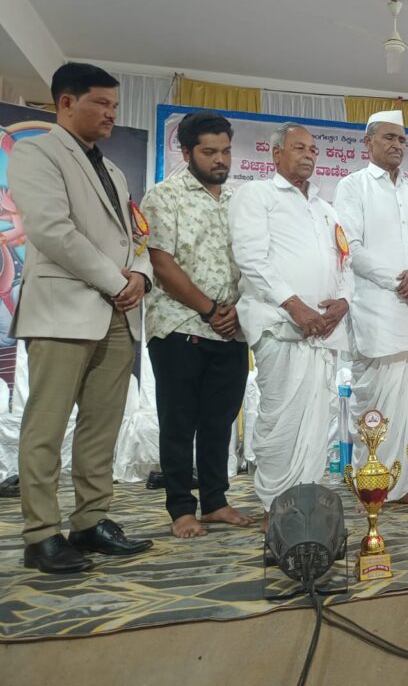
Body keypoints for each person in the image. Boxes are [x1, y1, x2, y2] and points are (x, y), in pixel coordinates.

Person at [9, 62, 153, 573]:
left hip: (118, 312)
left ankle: (90, 522)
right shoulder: (37, 152)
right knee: (46, 427)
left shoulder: (112, 170)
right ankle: (40, 535)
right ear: (66, 102)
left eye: (115, 105)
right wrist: (117, 281)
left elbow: (137, 237)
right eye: (101, 103)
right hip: (63, 310)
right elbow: (52, 231)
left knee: (102, 426)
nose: (112, 114)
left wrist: (141, 276)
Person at [229, 122, 351, 527]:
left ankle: (307, 498)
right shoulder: (257, 195)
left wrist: (343, 302)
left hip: (323, 332)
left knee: (318, 421)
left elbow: (345, 262)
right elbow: (251, 258)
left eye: (313, 150)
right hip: (280, 325)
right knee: (281, 418)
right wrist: (295, 305)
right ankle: (275, 505)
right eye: (299, 147)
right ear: (276, 153)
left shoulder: (325, 208)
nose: (309, 155)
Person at [142, 111, 252, 538]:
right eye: (209, 152)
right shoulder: (164, 197)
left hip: (232, 327)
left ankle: (215, 502)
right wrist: (209, 309)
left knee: (219, 421)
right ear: (186, 152)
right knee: (179, 422)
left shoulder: (240, 201)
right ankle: (181, 509)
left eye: (225, 151)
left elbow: (253, 262)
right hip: (180, 325)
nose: (220, 159)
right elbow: (161, 263)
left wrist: (237, 310)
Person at [333, 110, 408, 507]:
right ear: (368, 143)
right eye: (389, 138)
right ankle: (373, 481)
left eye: (402, 140)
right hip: (377, 308)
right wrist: (401, 283)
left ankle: (403, 484)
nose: (397, 145)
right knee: (376, 400)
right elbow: (351, 249)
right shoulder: (352, 186)